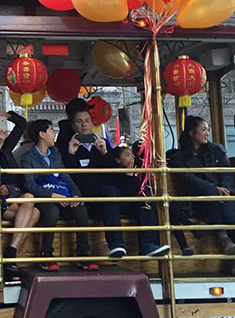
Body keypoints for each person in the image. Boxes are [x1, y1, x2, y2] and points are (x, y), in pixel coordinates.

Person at [62, 107, 170, 258]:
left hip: (113, 195)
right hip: (88, 198)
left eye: (87, 121)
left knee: (144, 192)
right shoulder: (67, 148)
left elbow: (114, 172)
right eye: (79, 121)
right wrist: (71, 153)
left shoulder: (102, 143)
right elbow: (70, 177)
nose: (84, 125)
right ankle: (116, 245)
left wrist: (104, 152)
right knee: (110, 192)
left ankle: (148, 244)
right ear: (73, 125)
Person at [169, 116, 235, 276]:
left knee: (234, 218)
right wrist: (213, 188)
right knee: (209, 192)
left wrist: (225, 190)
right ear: (192, 132)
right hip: (197, 199)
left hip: (223, 195)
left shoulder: (216, 150)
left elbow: (227, 173)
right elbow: (189, 179)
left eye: (208, 130)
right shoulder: (179, 157)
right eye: (203, 130)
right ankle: (222, 238)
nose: (206, 133)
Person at [21, 120, 96, 272]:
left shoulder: (56, 155)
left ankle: (83, 254)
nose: (54, 134)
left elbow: (66, 177)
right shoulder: (28, 157)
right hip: (44, 199)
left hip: (63, 196)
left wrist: (75, 195)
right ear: (42, 134)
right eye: (51, 130)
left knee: (80, 209)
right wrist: (52, 195)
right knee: (51, 211)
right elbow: (30, 185)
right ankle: (46, 255)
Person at [0, 111, 39, 279]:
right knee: (34, 212)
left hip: (10, 196)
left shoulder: (6, 146)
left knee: (31, 201)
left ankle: (12, 252)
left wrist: (7, 115)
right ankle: (11, 257)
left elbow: (22, 125)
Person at [113, 146, 194, 256]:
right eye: (127, 155)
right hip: (127, 205)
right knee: (153, 205)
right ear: (118, 159)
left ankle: (183, 245)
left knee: (164, 206)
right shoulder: (115, 173)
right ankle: (187, 229)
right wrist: (129, 175)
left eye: (132, 155)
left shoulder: (138, 172)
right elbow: (130, 192)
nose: (131, 158)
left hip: (141, 204)